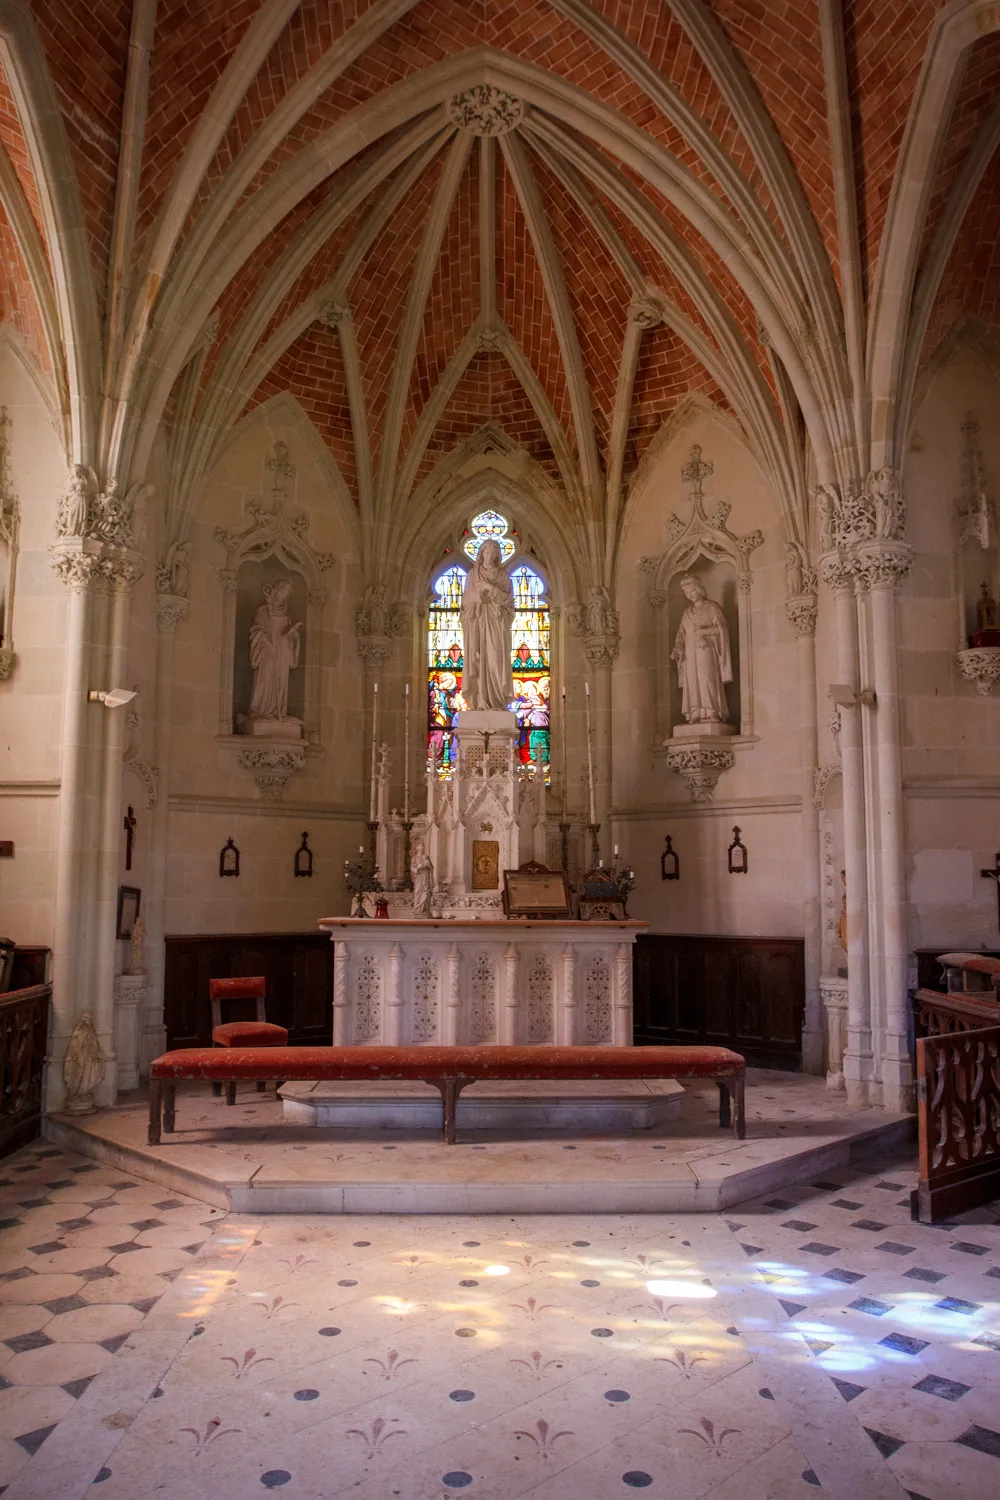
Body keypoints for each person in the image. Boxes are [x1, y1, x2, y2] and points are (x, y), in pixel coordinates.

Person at [671, 574, 733, 725]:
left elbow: (722, 629)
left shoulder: (712, 607)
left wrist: (704, 631)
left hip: (706, 651)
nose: (690, 595)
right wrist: (678, 648)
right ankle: (695, 713)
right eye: (687, 593)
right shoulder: (686, 613)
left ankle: (712, 712)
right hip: (690, 656)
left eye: (692, 591)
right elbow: (681, 634)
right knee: (693, 682)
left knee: (707, 679)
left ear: (699, 590)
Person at [460, 539, 515, 711]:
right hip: (477, 623)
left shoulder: (503, 576)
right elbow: (466, 601)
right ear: (481, 554)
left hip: (497, 624)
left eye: (494, 553)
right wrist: (478, 598)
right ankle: (479, 701)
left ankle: (497, 701)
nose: (490, 556)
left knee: (496, 660)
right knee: (478, 660)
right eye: (487, 552)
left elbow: (508, 601)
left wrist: (489, 588)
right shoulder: (472, 574)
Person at [248, 578, 301, 725]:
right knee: (266, 679)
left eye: (287, 593)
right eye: (283, 590)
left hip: (282, 654)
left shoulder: (287, 616)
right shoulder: (263, 610)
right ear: (276, 590)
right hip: (266, 652)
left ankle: (279, 712)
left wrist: (293, 636)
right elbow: (256, 629)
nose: (284, 594)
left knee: (280, 682)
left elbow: (289, 636)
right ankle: (262, 711)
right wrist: (265, 641)